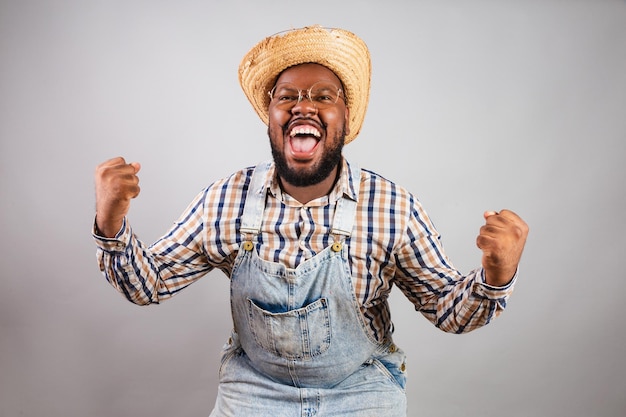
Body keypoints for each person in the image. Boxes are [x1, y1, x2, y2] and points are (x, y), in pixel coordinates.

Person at [93, 25, 528, 417]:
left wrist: (497, 274)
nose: (303, 106)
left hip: (361, 390)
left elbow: (447, 311)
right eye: (287, 97)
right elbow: (149, 284)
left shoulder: (392, 206)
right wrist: (111, 222)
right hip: (253, 392)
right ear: (271, 117)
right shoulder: (225, 200)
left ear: (344, 118)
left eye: (323, 96)